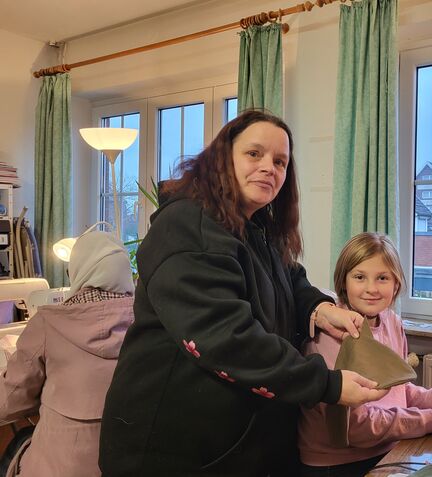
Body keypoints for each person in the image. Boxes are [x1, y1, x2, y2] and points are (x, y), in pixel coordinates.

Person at [99, 110, 387, 477]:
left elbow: (291, 279)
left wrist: (318, 307)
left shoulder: (256, 228)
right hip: (173, 451)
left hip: (234, 448)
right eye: (254, 154)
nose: (269, 168)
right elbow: (226, 338)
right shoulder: (188, 226)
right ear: (223, 159)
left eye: (280, 162)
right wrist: (327, 384)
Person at [298, 232, 432, 477]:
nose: (371, 289)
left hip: (387, 448)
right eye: (360, 277)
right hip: (337, 463)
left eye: (382, 278)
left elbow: (399, 389)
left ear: (396, 284)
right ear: (344, 282)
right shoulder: (332, 333)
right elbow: (354, 427)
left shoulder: (392, 322)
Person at [0, 230, 135, 477]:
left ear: (76, 271)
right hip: (125, 461)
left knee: (18, 441)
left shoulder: (48, 323)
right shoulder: (149, 323)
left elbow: (9, 402)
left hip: (62, 467)